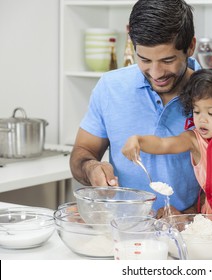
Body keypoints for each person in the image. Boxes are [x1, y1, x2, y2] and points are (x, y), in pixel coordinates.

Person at [69, 0, 201, 214]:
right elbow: (82, 152)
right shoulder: (110, 87)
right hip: (123, 230)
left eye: (167, 60)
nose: (156, 73)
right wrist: (91, 168)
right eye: (144, 59)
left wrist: (192, 214)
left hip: (194, 235)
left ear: (190, 47)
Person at [122, 68, 212, 215]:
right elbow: (163, 144)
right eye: (196, 111)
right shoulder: (194, 139)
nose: (202, 119)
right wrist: (138, 140)